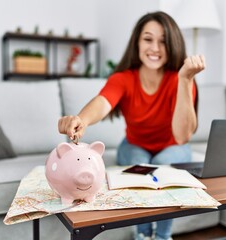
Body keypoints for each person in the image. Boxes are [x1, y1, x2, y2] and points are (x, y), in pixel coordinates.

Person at [58, 11, 205, 240]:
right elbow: (103, 102)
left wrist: (185, 80)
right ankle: (143, 235)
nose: (155, 47)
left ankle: (163, 236)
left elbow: (182, 135)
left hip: (172, 146)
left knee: (163, 165)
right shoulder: (123, 79)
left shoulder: (181, 79)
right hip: (134, 145)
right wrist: (82, 119)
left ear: (173, 45)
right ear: (137, 42)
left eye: (163, 41)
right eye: (148, 39)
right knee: (141, 166)